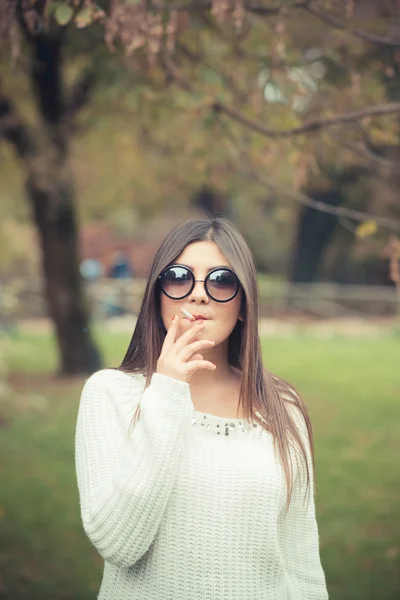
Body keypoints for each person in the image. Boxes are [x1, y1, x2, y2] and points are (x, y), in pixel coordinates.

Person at [75, 216, 329, 600]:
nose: (198, 294)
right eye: (179, 277)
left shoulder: (282, 407)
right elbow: (119, 544)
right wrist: (167, 390)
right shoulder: (110, 395)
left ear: (244, 304)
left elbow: (302, 562)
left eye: (221, 281)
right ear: (157, 294)